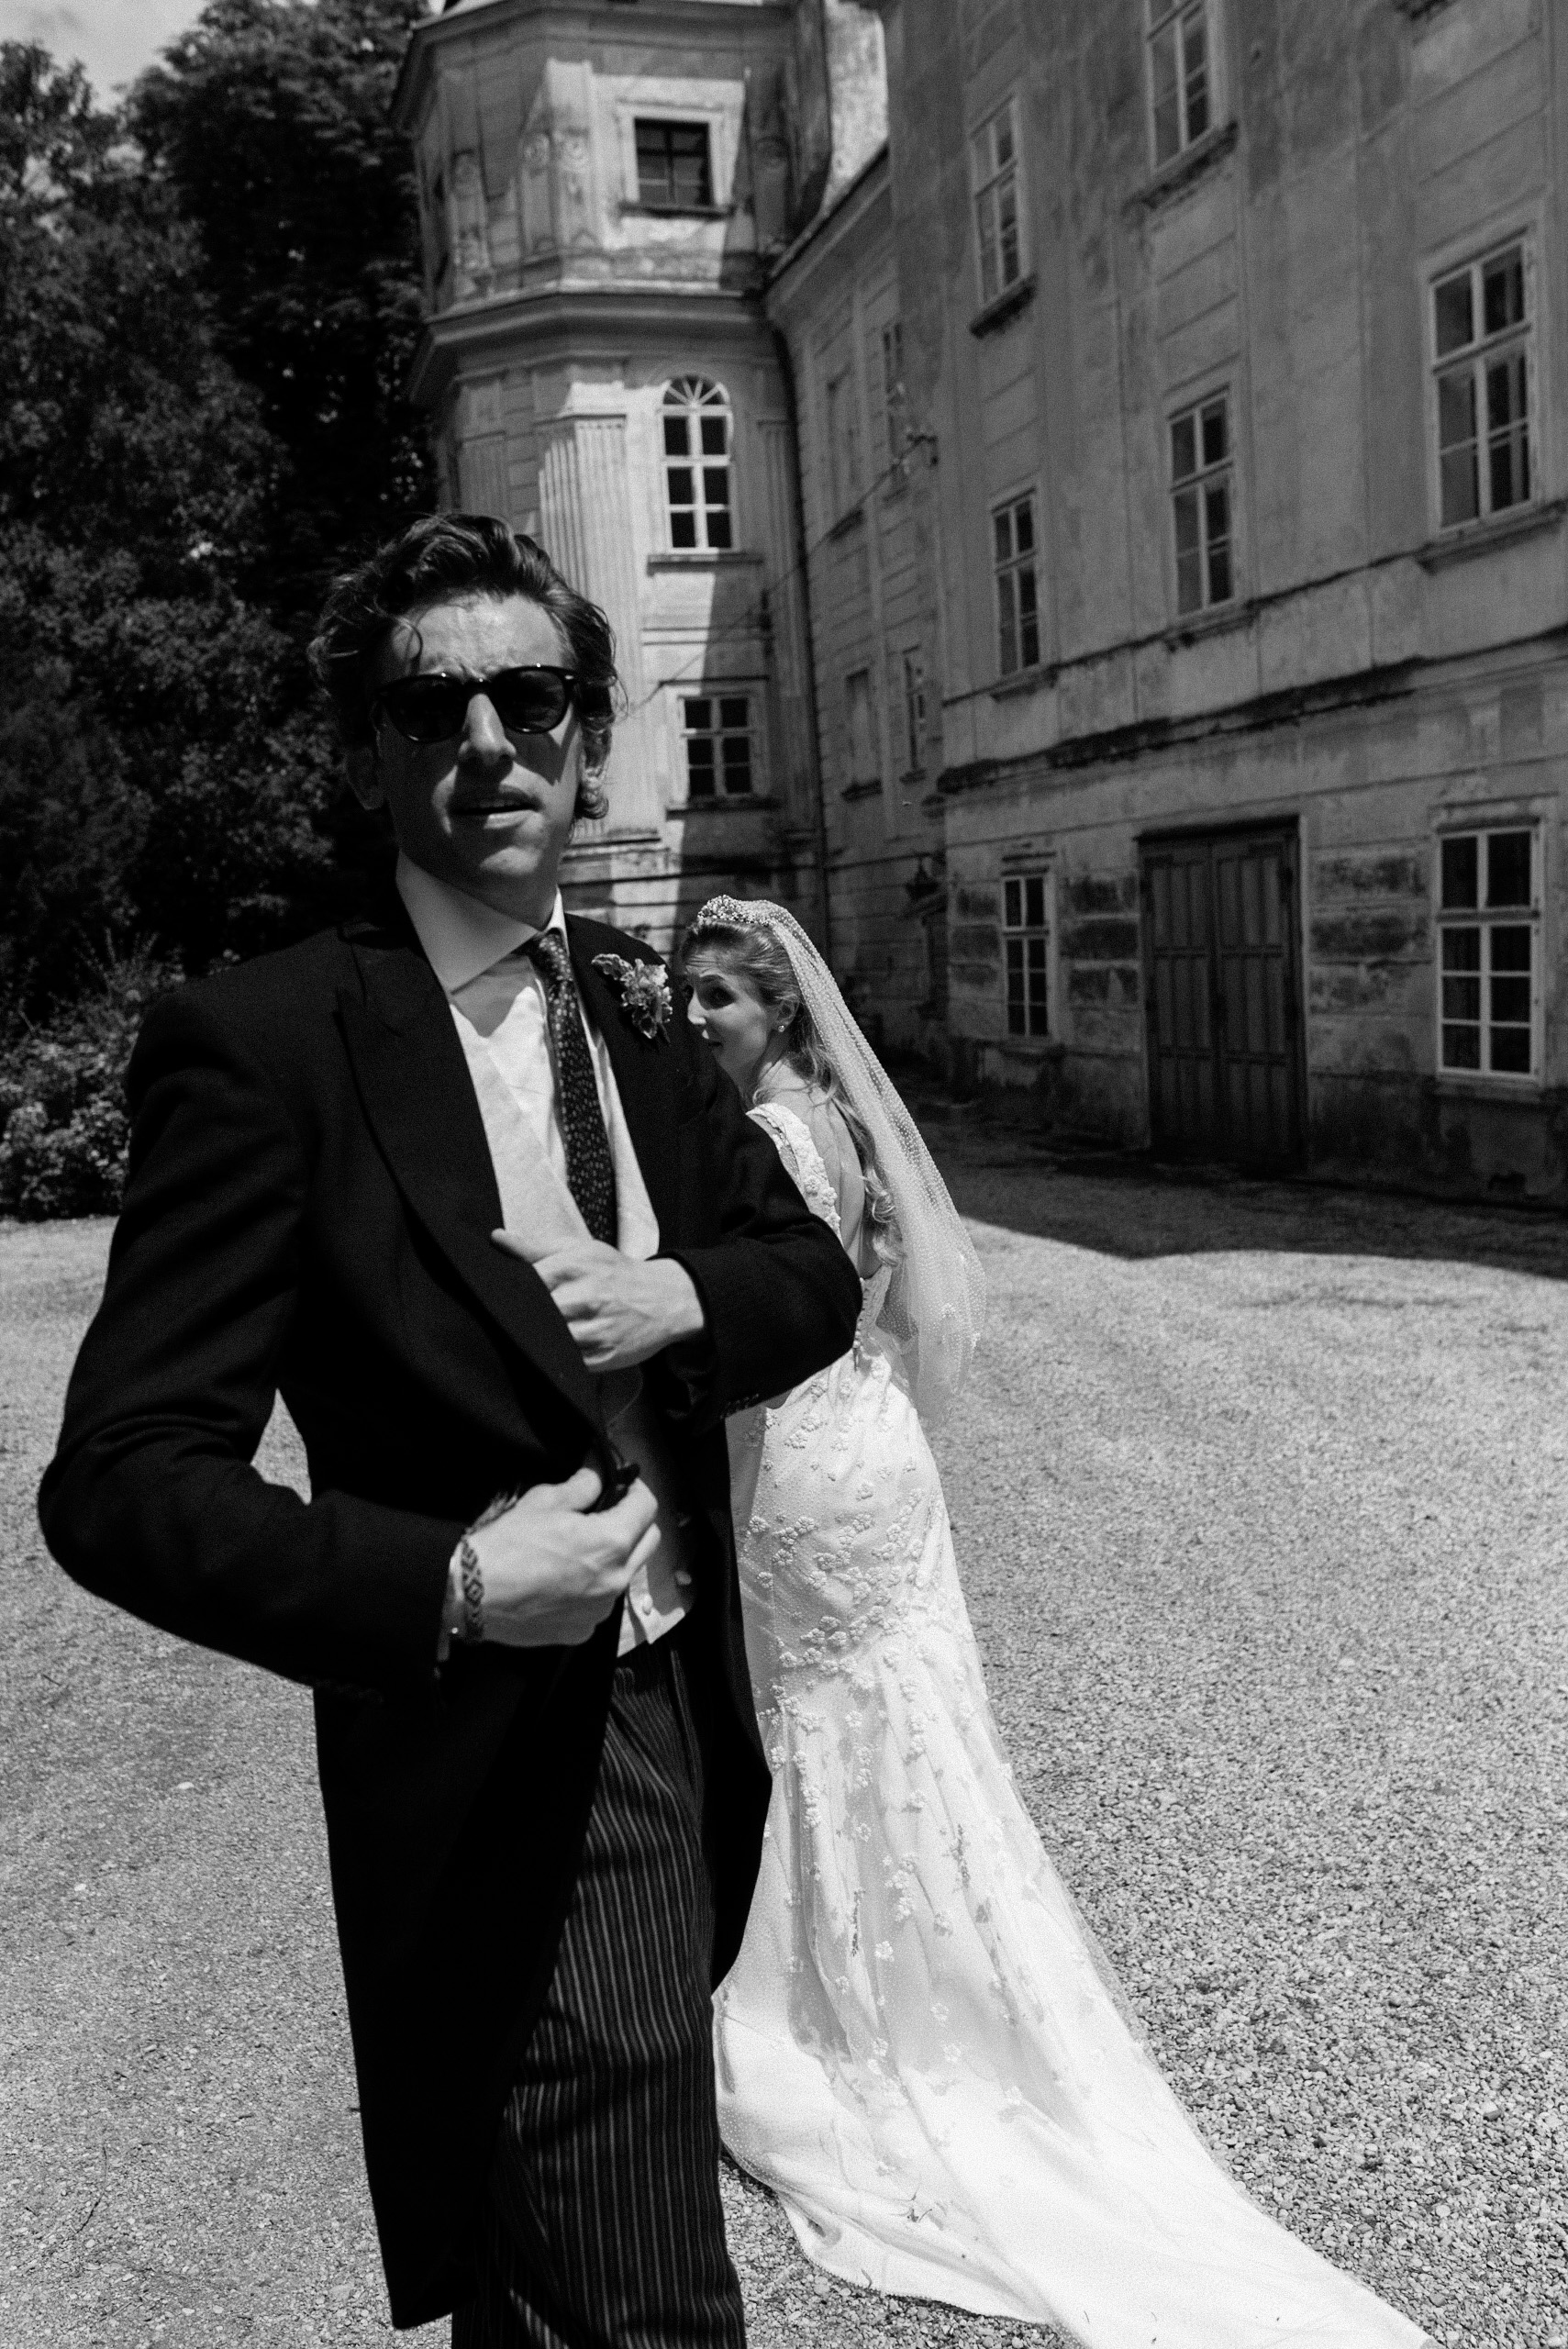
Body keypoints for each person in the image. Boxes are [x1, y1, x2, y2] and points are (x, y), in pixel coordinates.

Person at [38, 518, 862, 2346]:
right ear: (369, 755)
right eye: (432, 707)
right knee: (640, 2287)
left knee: (552, 2246)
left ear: (589, 736)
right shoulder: (266, 1044)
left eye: (530, 696)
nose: (488, 740)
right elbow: (119, 1480)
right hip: (502, 1747)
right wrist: (458, 1584)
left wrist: (682, 1300)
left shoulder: (633, 1010)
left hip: (687, 1696)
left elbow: (811, 1273)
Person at [682, 895, 1432, 2349]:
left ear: (777, 1008)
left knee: (832, 1725)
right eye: (689, 993)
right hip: (871, 1444)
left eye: (718, 995)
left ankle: (852, 2020)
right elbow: (890, 1302)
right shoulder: (836, 1123)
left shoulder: (770, 1134)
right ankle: (938, 1991)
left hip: (807, 1465)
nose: (696, 1016)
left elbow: (763, 1316)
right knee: (898, 1724)